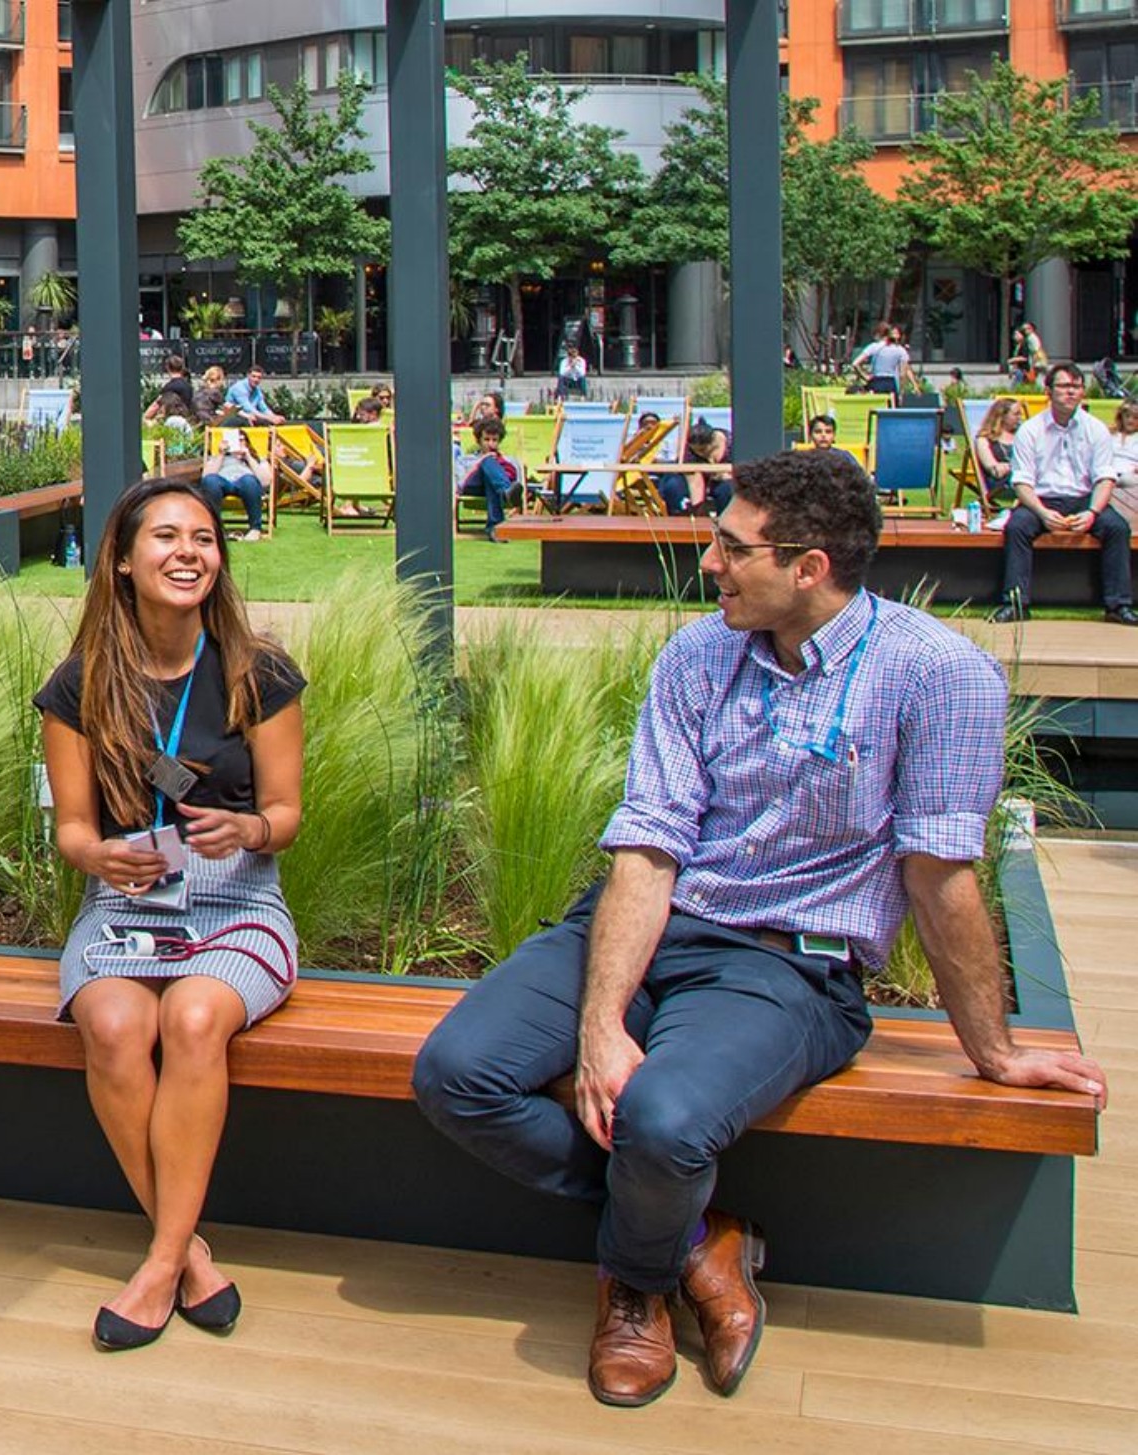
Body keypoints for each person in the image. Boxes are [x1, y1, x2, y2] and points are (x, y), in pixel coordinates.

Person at [414, 447, 1109, 1409]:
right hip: (649, 921)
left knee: (661, 1121)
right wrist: (601, 1022)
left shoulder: (937, 674)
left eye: (732, 548)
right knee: (456, 1073)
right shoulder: (697, 654)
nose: (709, 563)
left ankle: (636, 1282)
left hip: (788, 965)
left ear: (808, 566)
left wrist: (991, 1052)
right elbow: (649, 841)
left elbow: (940, 876)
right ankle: (698, 1237)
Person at [33, 475, 306, 1352]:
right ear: (121, 560)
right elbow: (73, 829)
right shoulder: (79, 685)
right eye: (165, 537)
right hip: (127, 896)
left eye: (203, 538)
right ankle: (186, 1253)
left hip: (237, 898)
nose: (188, 552)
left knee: (191, 1017)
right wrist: (96, 856)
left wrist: (249, 827)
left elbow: (287, 815)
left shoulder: (258, 672)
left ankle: (155, 1265)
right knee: (113, 1022)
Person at [991, 361, 1138, 625]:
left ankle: (1118, 606)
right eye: (1064, 386)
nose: (1071, 392)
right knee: (1017, 527)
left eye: (1076, 386)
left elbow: (1105, 478)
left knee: (1117, 528)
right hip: (1040, 500)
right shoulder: (1030, 430)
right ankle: (1015, 604)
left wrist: (1092, 512)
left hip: (1085, 499)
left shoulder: (1096, 429)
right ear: (1048, 391)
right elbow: (1021, 482)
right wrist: (1042, 512)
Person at [199, 428, 272, 541]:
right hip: (222, 483)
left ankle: (255, 529)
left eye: (241, 440)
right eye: (234, 440)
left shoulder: (257, 459)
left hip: (246, 485)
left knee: (249, 480)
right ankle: (216, 529)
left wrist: (248, 456)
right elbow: (206, 478)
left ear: (247, 442)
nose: (238, 443)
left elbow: (266, 481)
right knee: (211, 481)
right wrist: (221, 454)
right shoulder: (217, 458)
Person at [461, 416, 522, 541]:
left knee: (491, 481)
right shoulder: (467, 459)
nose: (491, 444)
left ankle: (494, 530)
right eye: (486, 439)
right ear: (479, 440)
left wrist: (497, 465)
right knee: (487, 461)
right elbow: (461, 482)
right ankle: (505, 493)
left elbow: (515, 478)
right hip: (473, 486)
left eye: (495, 440)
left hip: (493, 486)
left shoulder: (508, 460)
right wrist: (482, 461)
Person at [657, 421, 731, 516]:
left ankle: (725, 519)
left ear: (714, 442)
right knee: (672, 486)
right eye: (695, 451)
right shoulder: (688, 450)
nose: (699, 453)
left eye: (702, 450)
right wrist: (698, 509)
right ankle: (680, 518)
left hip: (727, 478)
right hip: (696, 478)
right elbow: (694, 482)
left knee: (725, 489)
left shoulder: (732, 442)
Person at [967, 396, 1022, 509]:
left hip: (1024, 478)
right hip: (1002, 483)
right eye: (1016, 414)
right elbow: (994, 470)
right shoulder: (984, 439)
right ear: (1002, 416)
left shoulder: (1023, 435)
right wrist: (1007, 467)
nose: (1020, 417)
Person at [1111, 397, 1138, 528]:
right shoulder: (1111, 434)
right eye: (1127, 416)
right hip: (1109, 471)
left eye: (1135, 418)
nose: (1130, 420)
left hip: (1130, 475)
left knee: (1127, 479)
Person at [145, 356, 194, 426]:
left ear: (168, 368)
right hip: (187, 420)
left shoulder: (169, 387)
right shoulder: (189, 386)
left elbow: (156, 405)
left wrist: (145, 417)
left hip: (171, 421)